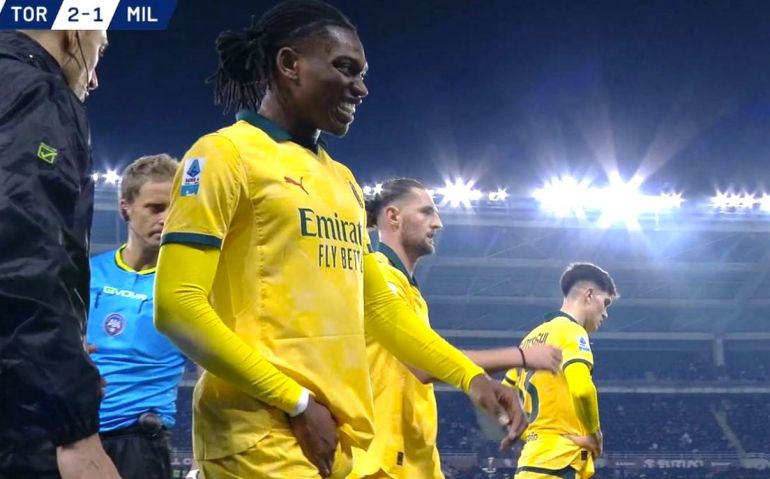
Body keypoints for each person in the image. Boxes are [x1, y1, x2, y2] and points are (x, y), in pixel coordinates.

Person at [153, 1, 526, 478]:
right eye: (345, 68)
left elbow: (379, 308)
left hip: (334, 435)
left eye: (362, 74)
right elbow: (177, 304)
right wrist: (295, 400)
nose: (361, 87)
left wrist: (471, 379)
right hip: (256, 433)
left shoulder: (344, 182)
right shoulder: (222, 155)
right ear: (290, 64)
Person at [350, 178, 563, 479]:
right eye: (426, 212)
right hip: (379, 462)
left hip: (412, 462)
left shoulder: (411, 292)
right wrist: (522, 356)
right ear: (393, 217)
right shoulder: (380, 277)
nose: (438, 223)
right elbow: (422, 364)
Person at [0, 30, 120, 479]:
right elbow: (22, 253)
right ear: (74, 32)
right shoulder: (34, 90)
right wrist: (72, 419)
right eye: (100, 48)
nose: (96, 77)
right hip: (21, 419)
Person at [86, 154, 192, 479]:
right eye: (155, 208)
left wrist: (202, 459)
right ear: (125, 209)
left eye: (174, 208)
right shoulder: (88, 272)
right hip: (73, 434)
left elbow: (215, 373)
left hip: (139, 444)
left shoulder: (190, 284)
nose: (166, 218)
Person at [502, 263, 618, 479]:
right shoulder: (572, 332)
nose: (605, 314)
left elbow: (503, 400)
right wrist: (594, 435)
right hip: (560, 463)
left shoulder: (528, 340)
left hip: (531, 462)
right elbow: (582, 390)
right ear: (589, 295)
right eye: (605, 303)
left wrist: (534, 436)